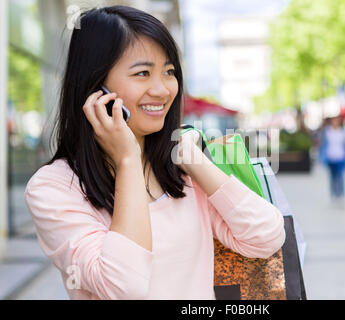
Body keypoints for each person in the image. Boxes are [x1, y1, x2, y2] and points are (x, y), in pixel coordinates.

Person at [23, 6, 285, 300]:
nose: (162, 90)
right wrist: (127, 160)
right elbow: (124, 287)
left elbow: (267, 237)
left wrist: (196, 161)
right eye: (143, 73)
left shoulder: (181, 171)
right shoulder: (54, 187)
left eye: (169, 71)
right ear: (96, 88)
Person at [319, 116, 345, 202]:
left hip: (341, 157)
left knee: (340, 177)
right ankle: (333, 194)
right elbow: (323, 143)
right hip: (330, 157)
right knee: (332, 177)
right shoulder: (327, 131)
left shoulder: (342, 132)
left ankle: (341, 194)